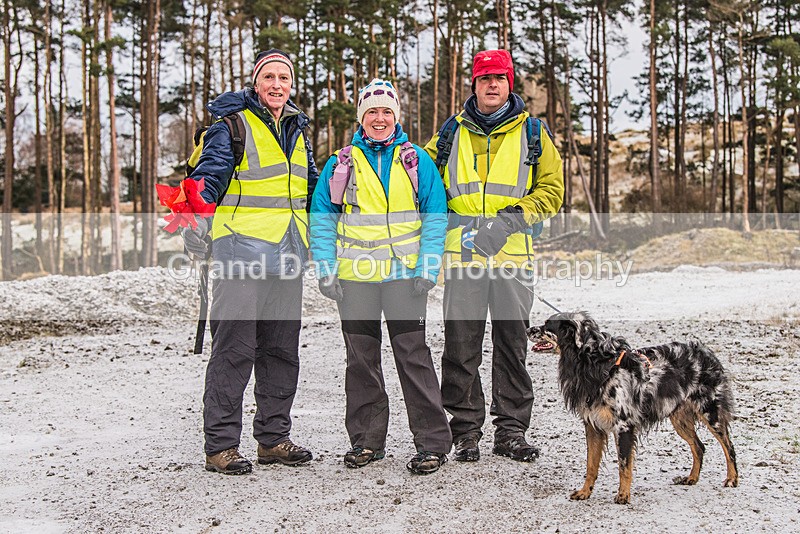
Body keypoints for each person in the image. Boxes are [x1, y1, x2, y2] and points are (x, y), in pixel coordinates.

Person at [181, 49, 318, 475]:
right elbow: (209, 175)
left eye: (284, 77)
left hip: (288, 253)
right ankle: (220, 447)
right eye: (269, 77)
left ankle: (273, 439)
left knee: (281, 352)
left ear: (291, 85)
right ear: (256, 83)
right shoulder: (231, 127)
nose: (277, 84)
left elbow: (310, 190)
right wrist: (196, 219)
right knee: (234, 352)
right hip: (240, 255)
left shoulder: (298, 130)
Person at [424, 49, 564, 463]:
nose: (491, 85)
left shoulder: (534, 133)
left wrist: (509, 222)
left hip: (512, 259)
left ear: (509, 83)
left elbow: (552, 190)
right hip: (463, 259)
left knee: (511, 347)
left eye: (499, 78)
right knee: (461, 347)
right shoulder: (450, 133)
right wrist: (452, 222)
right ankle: (466, 431)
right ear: (474, 85)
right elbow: (422, 187)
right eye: (484, 78)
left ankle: (511, 432)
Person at [310, 78, 452, 474]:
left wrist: (427, 267)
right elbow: (321, 220)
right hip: (355, 280)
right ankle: (367, 442)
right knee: (361, 360)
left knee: (413, 356)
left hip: (405, 278)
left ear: (396, 117)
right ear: (361, 117)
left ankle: (433, 445)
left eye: (386, 111)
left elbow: (435, 216)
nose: (379, 118)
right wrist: (325, 268)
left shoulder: (416, 160)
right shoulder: (340, 163)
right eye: (371, 111)